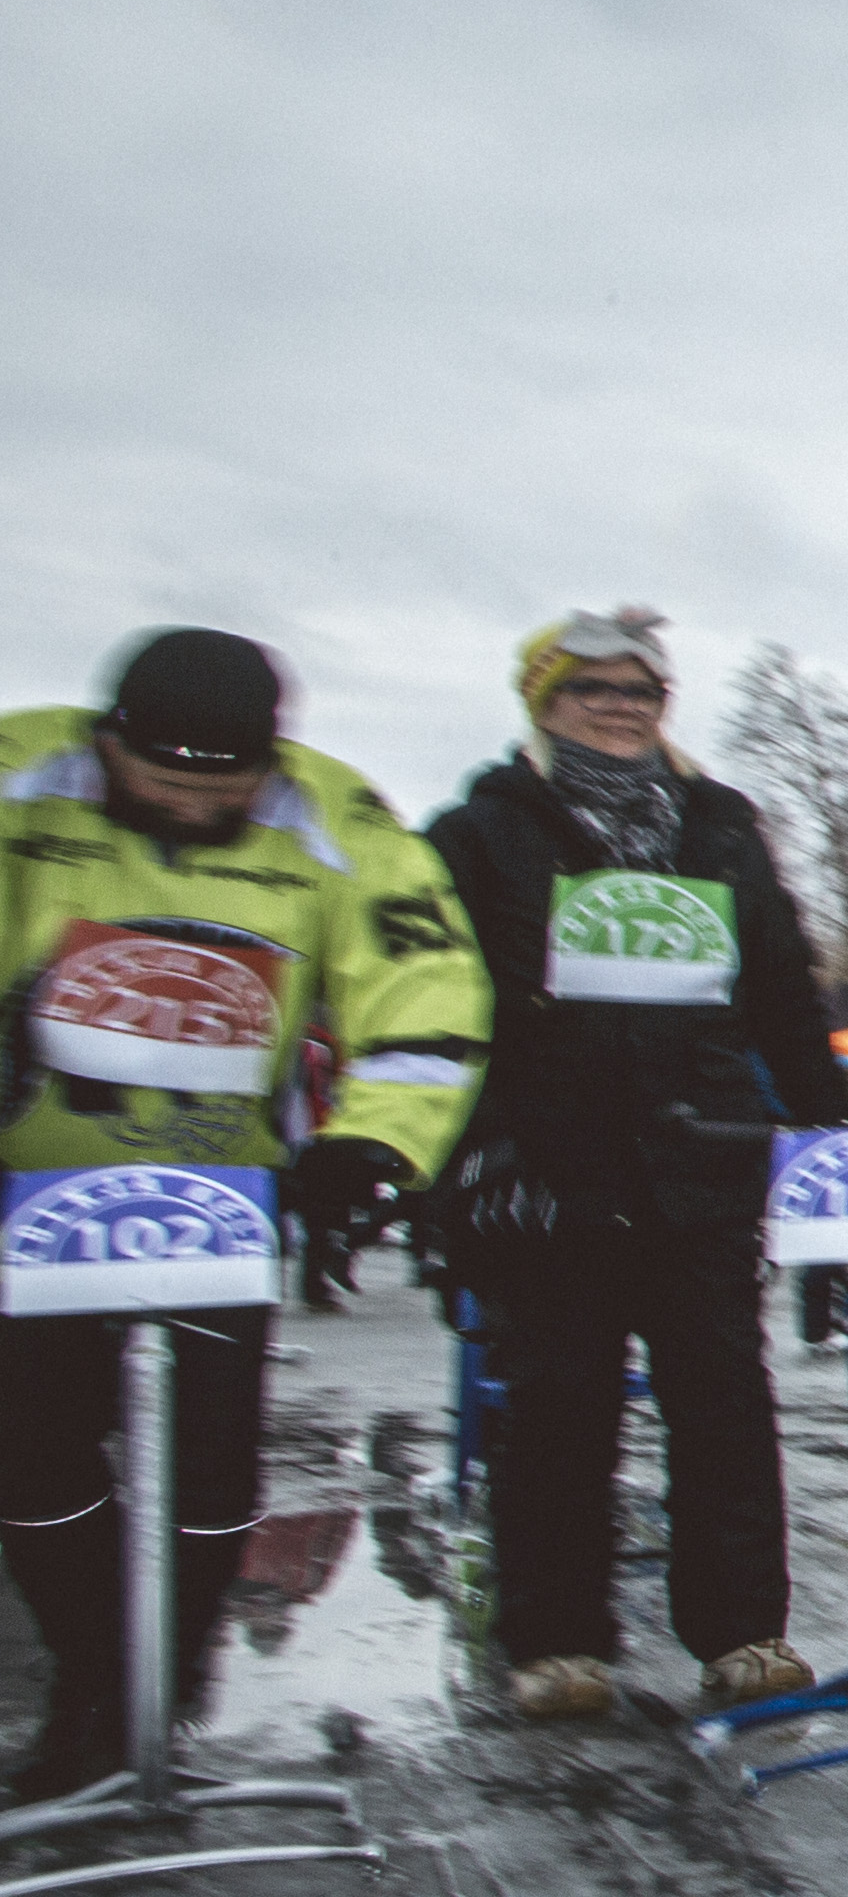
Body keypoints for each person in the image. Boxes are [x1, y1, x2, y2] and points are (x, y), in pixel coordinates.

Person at [1, 630, 486, 1799]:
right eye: (160, 792)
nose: (188, 817)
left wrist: (375, 1143)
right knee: (29, 1448)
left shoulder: (335, 813)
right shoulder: (22, 774)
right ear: (107, 744)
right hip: (32, 1187)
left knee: (211, 1472)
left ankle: (162, 1693)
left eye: (223, 798)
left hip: (215, 1194)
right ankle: (99, 1686)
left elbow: (423, 978)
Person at [424, 609, 848, 1719]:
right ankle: (558, 1640)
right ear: (544, 700)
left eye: (642, 693)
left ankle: (743, 1630)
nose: (620, 709)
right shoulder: (481, 829)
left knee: (722, 1396)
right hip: (551, 1154)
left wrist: (832, 1120)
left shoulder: (717, 822)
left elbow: (778, 988)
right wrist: (465, 1156)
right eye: (594, 690)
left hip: (697, 1149)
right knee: (561, 1400)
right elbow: (437, 1004)